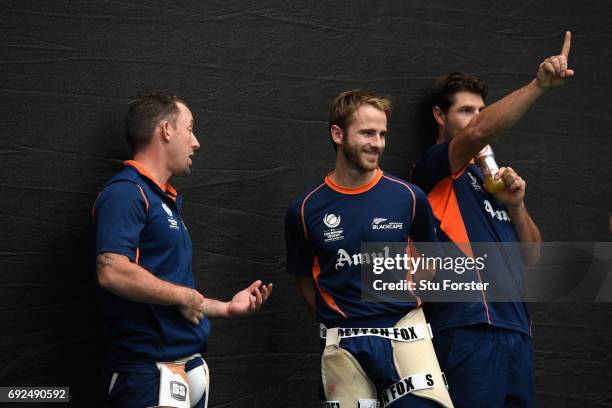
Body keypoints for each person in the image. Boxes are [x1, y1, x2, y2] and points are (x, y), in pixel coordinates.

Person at [410, 31, 573, 407]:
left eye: (481, 110)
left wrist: (515, 204)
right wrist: (538, 86)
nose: (477, 120)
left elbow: (531, 256)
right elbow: (479, 133)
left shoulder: (492, 179)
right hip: (467, 328)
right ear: (439, 115)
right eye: (467, 110)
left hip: (516, 330)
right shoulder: (433, 169)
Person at [93, 92, 272, 408]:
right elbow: (111, 270)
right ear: (165, 130)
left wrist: (226, 307)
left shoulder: (164, 200)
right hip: (146, 374)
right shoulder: (126, 193)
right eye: (190, 129)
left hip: (183, 368)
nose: (196, 142)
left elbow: (172, 291)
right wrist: (184, 297)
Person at [285, 90, 454, 407]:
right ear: (338, 134)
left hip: (405, 329)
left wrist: (401, 297)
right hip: (343, 340)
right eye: (367, 133)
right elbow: (305, 281)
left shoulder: (409, 197)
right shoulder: (305, 210)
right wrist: (340, 317)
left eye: (382, 134)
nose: (378, 143)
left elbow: (432, 260)